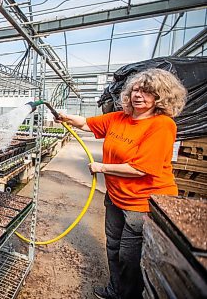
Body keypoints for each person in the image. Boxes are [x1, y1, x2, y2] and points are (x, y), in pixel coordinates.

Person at [56, 68, 187, 299]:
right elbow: (87, 123)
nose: (138, 95)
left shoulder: (162, 125)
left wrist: (101, 167)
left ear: (161, 97)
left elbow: (140, 168)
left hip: (143, 201)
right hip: (116, 196)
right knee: (113, 245)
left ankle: (128, 294)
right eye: (135, 89)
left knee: (130, 255)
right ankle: (115, 290)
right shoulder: (119, 118)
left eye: (147, 91)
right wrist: (66, 117)